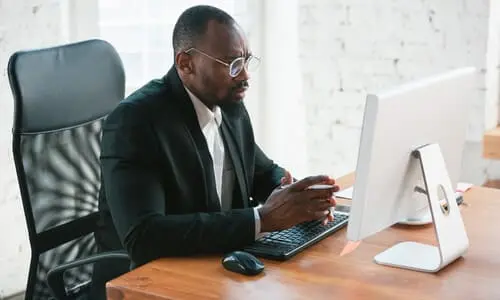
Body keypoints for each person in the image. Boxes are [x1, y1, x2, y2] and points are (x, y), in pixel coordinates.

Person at [91, 4, 338, 299]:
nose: (245, 75)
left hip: (212, 272)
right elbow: (145, 236)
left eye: (245, 61)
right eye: (232, 63)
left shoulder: (229, 105)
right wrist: (263, 219)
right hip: (146, 283)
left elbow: (261, 172)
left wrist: (302, 200)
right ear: (186, 64)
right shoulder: (136, 122)